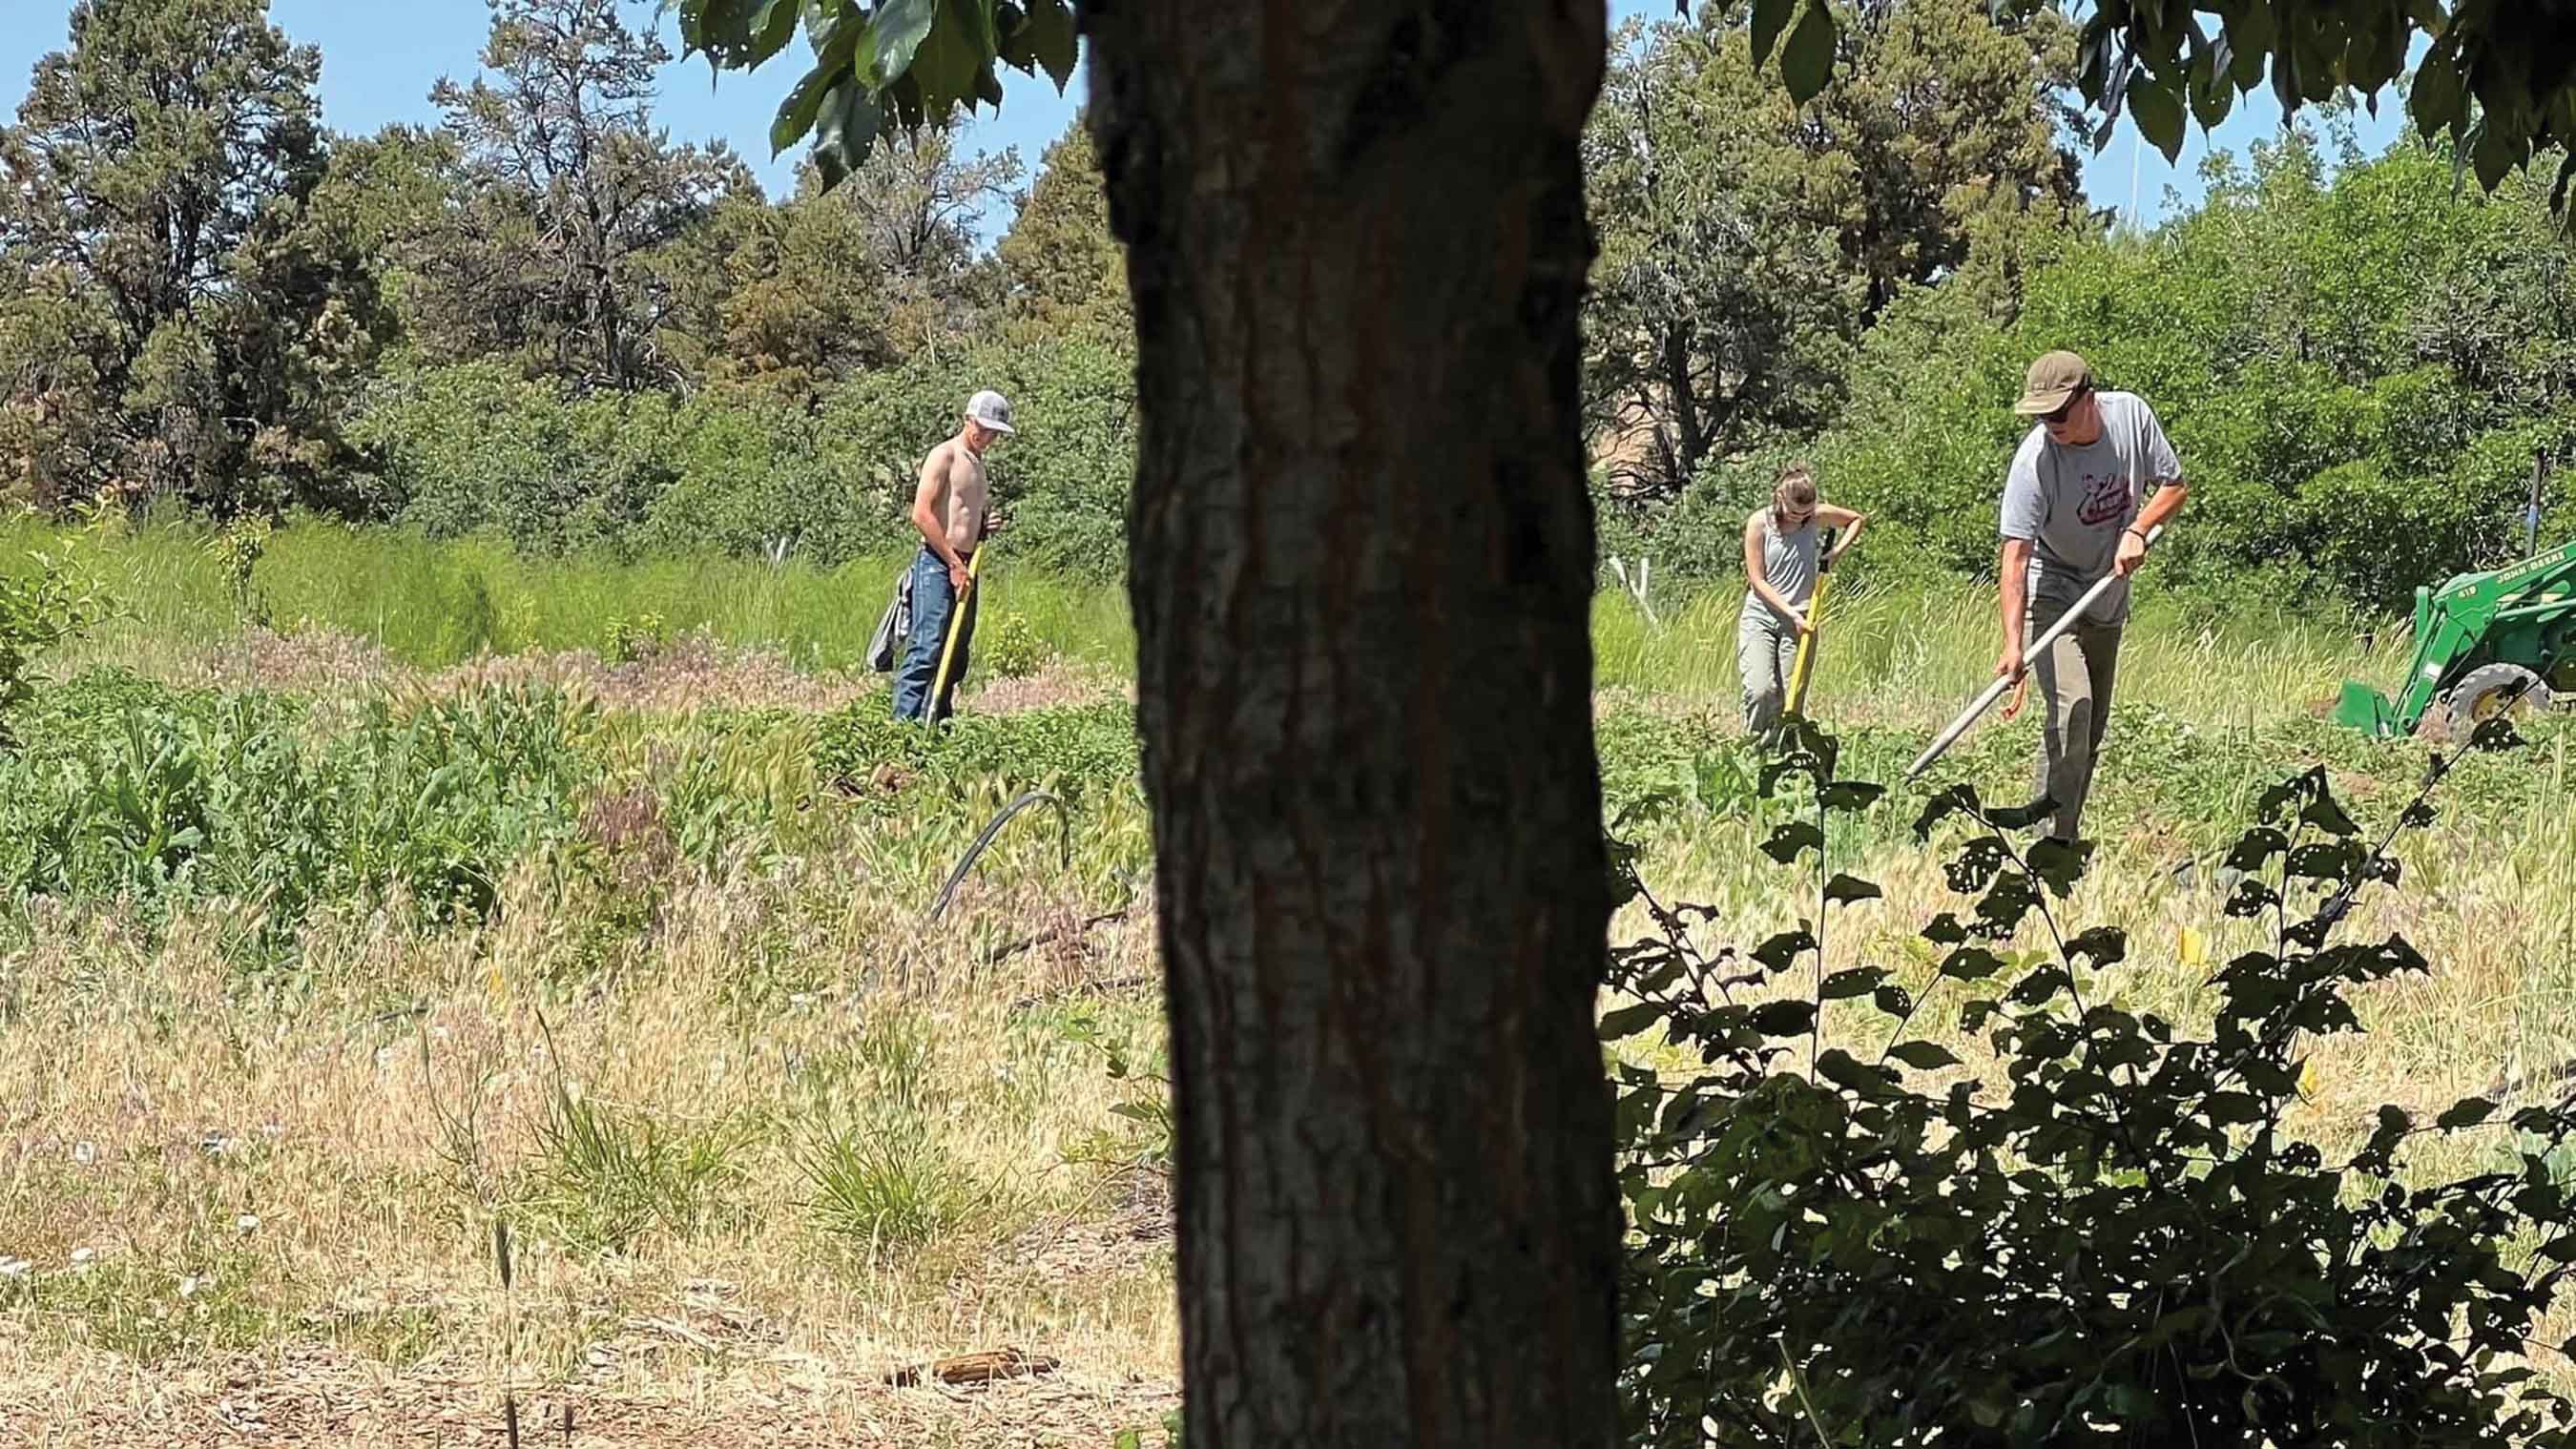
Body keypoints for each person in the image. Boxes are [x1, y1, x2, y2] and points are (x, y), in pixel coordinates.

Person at [1993, 350, 2188, 843]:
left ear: (2088, 398)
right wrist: (2013, 645)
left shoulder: (2131, 417)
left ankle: (2065, 837)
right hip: (2051, 590)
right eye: (2042, 416)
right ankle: (2049, 846)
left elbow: (2174, 486)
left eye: (2059, 413)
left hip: (2107, 592)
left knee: (2091, 727)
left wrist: (2138, 529)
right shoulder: (2035, 462)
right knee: (2073, 708)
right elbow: (2015, 559)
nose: (2051, 424)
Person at [893, 389, 1014, 722]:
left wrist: (983, 528)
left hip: (965, 564)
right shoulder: (944, 455)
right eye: (984, 429)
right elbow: (921, 514)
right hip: (938, 562)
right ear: (968, 420)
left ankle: (937, 722)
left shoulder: (978, 465)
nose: (988, 438)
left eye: (994, 433)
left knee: (956, 652)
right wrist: (952, 562)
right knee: (928, 647)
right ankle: (904, 727)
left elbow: (964, 515)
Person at [1736, 464, 1864, 737]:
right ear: (1780, 497)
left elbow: (1856, 520)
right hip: (1762, 616)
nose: (1800, 519)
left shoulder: (1816, 517)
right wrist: (1790, 613)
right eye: (1795, 513)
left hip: (1803, 619)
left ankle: (1786, 750)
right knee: (1761, 691)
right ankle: (1756, 747)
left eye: (1806, 513)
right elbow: (1757, 581)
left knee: (1791, 698)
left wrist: (1837, 552)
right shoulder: (1759, 523)